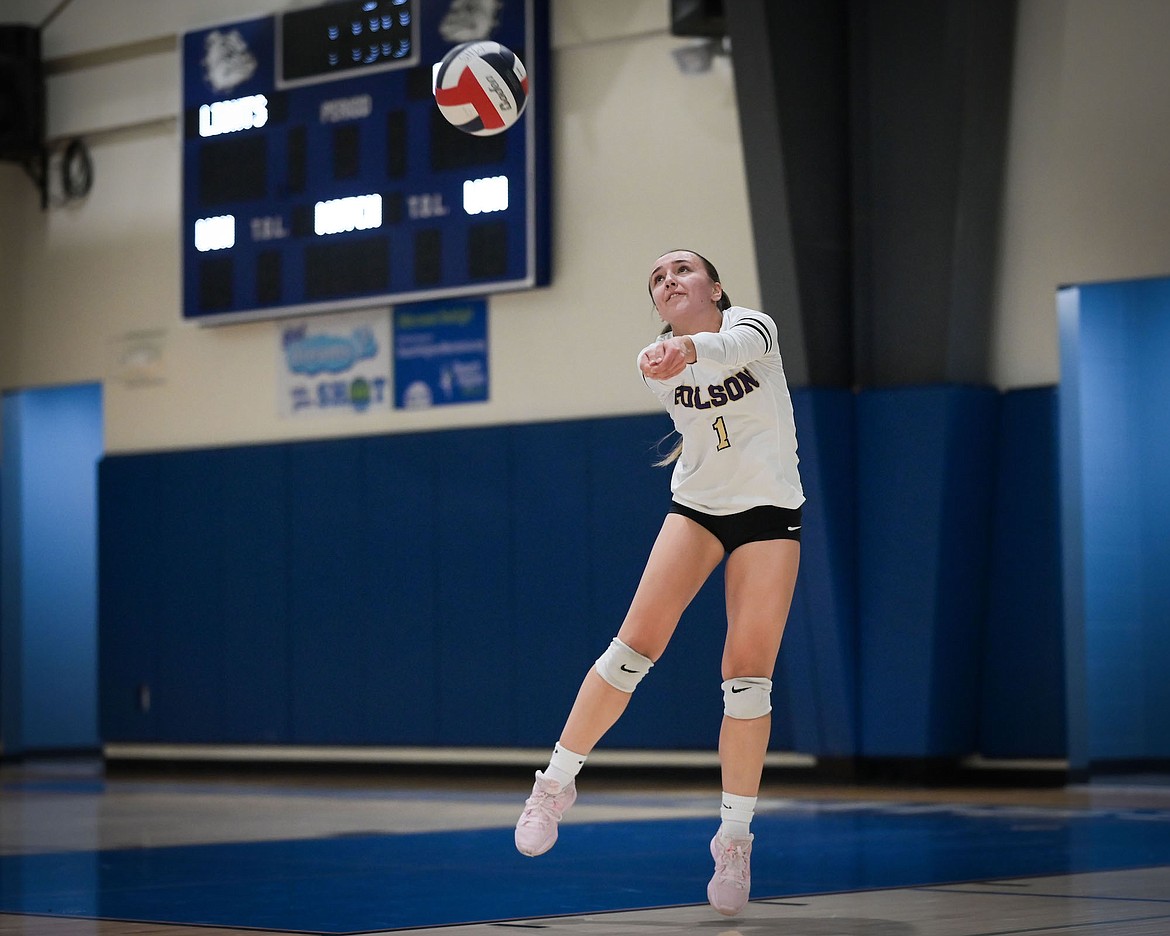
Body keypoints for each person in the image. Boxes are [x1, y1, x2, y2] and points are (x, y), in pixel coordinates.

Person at [514, 249, 804, 917]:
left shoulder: (754, 326)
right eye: (657, 279)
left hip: (768, 511)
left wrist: (686, 351)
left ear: (715, 286)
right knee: (631, 647)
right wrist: (667, 358)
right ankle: (554, 786)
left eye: (682, 270)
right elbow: (678, 363)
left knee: (747, 677)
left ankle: (734, 839)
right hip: (699, 508)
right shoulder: (655, 362)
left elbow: (727, 348)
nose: (670, 281)